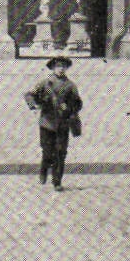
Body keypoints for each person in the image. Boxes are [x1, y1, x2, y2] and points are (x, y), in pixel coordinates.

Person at [25, 55, 83, 192]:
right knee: (47, 151)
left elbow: (78, 104)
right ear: (53, 68)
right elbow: (29, 95)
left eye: (63, 66)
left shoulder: (70, 86)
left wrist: (69, 109)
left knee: (61, 152)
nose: (61, 69)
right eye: (58, 66)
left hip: (63, 124)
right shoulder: (45, 83)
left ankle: (57, 181)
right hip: (47, 123)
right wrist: (34, 105)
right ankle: (44, 169)